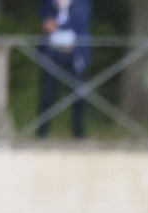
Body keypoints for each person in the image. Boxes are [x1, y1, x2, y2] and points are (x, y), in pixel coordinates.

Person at [36, 0, 92, 138]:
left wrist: (58, 24)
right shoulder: (48, 5)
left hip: (74, 57)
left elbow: (80, 24)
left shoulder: (81, 4)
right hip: (53, 56)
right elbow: (43, 23)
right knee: (47, 95)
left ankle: (78, 133)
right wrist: (47, 26)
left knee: (78, 96)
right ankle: (41, 133)